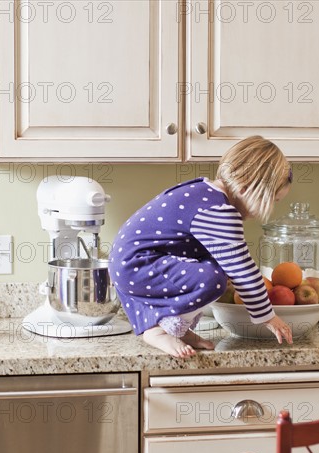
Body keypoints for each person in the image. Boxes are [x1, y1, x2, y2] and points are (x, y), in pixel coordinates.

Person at [109, 136, 294, 358]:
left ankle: (179, 329)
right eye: (273, 200)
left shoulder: (204, 193)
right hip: (138, 265)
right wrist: (267, 316)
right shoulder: (219, 211)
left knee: (217, 267)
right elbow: (241, 267)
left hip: (132, 264)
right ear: (246, 188)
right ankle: (157, 331)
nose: (271, 208)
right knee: (212, 279)